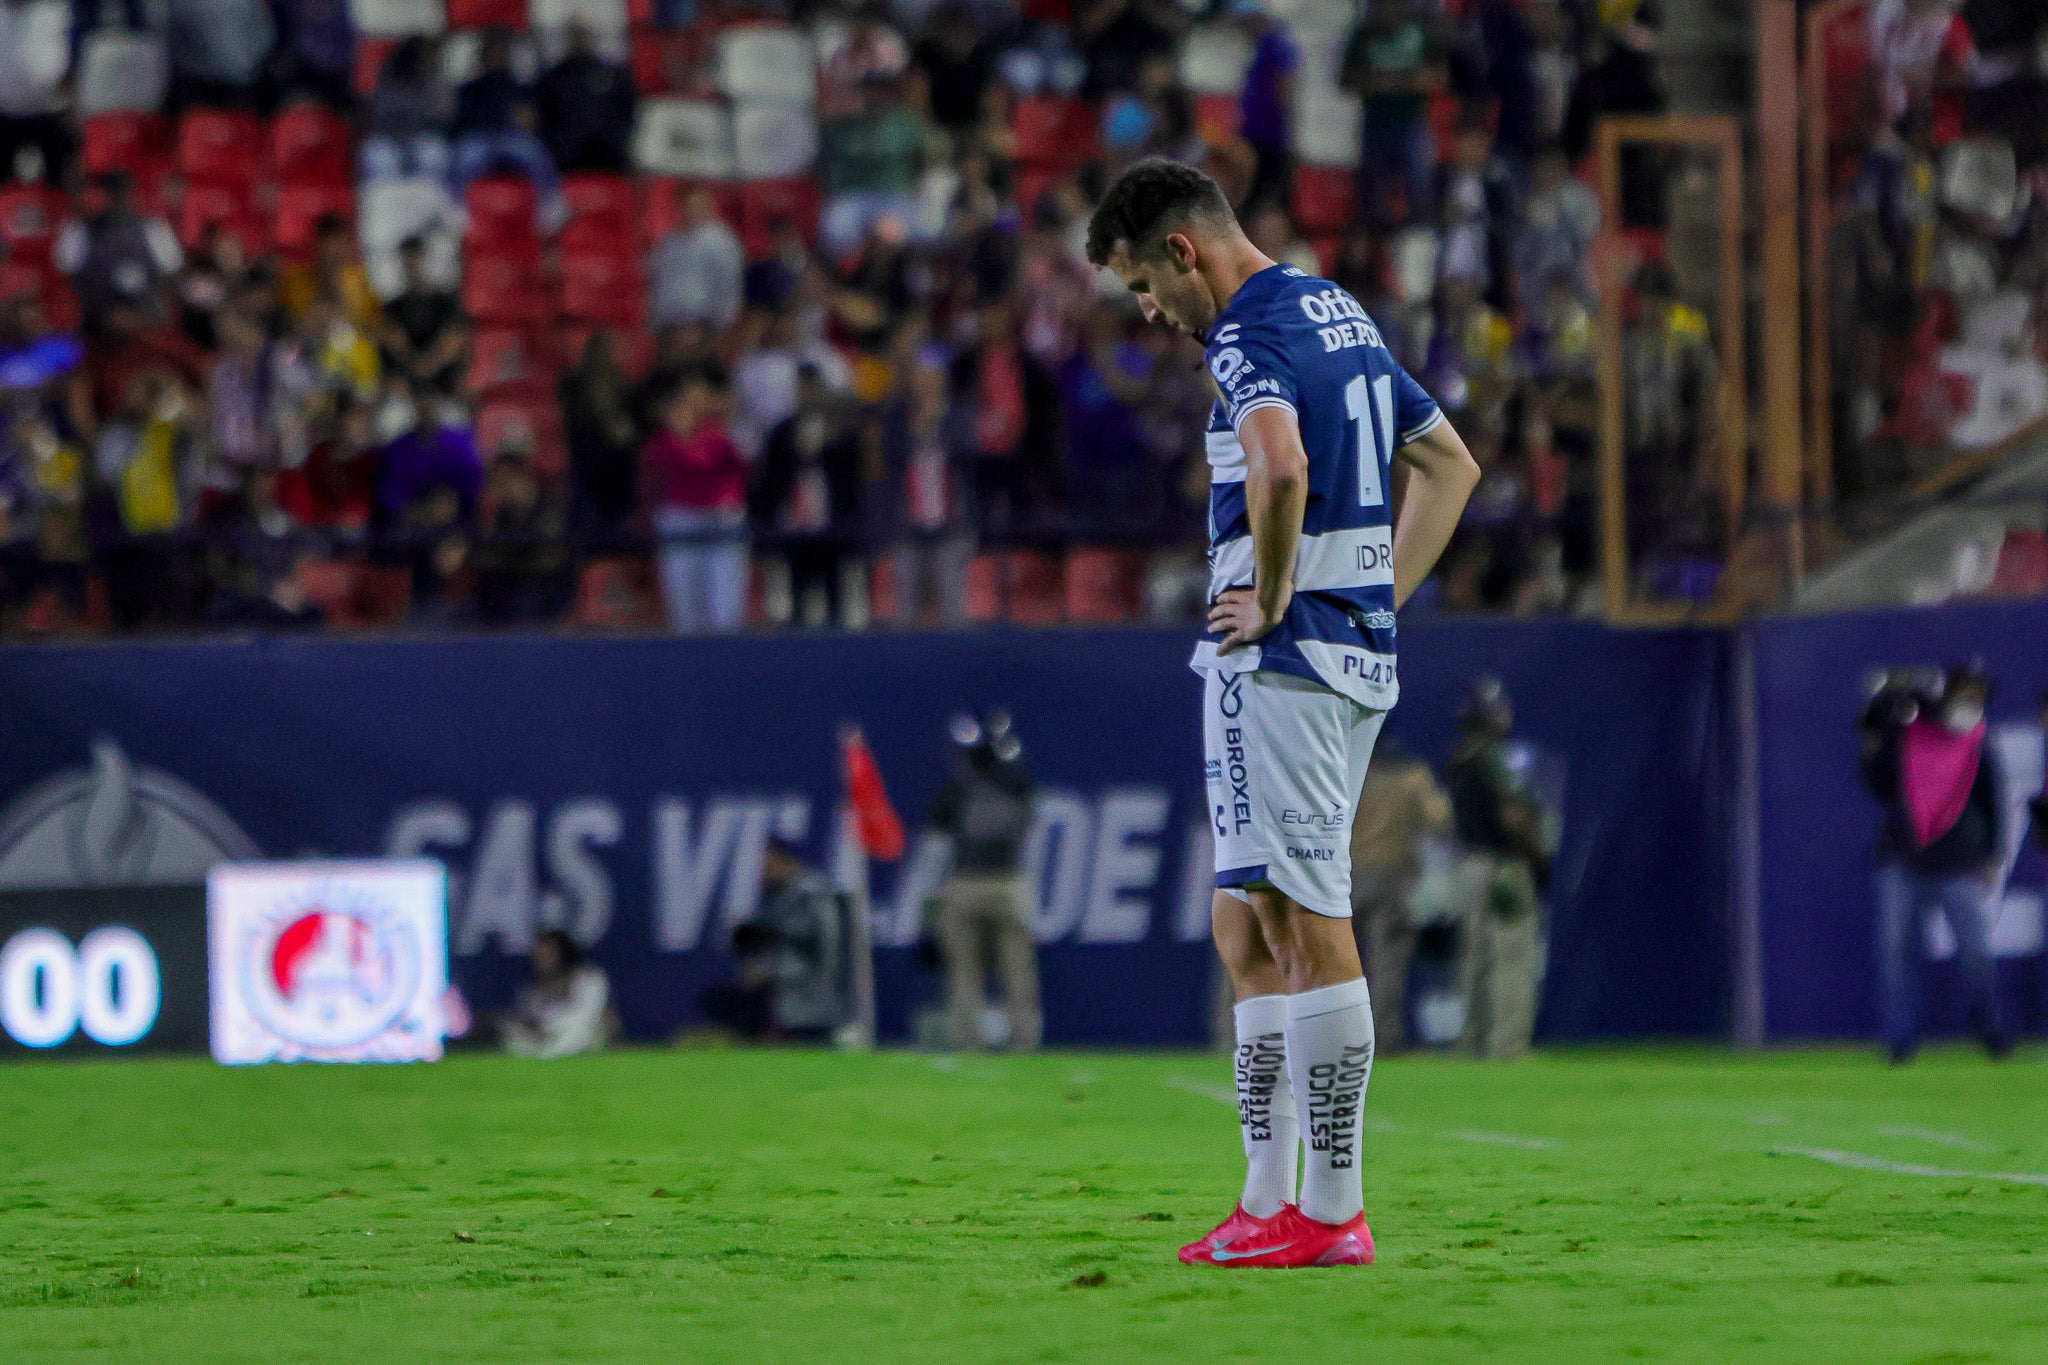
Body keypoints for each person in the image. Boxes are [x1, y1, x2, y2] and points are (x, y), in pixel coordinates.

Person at [1087, 157, 1479, 1268]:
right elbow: (1449, 467)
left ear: (1182, 250)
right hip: (1330, 653)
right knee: (1246, 922)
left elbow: (1281, 464)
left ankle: (1331, 1209)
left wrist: (1270, 594)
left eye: (1142, 285)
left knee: (1307, 922)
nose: (1149, 312)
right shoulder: (1334, 309)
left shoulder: (1245, 332)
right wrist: (1374, 600)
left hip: (1283, 661)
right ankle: (1268, 1196)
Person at [1858, 663, 2012, 1062]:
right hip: (1902, 856)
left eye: (1977, 698)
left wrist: (1993, 854)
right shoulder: (1905, 734)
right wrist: (1875, 735)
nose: (1970, 705)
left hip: (1960, 859)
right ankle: (1899, 1038)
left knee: (1976, 950)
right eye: (1965, 696)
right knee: (1895, 950)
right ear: (1945, 697)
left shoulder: (1977, 743)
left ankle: (1989, 1026)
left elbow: (1992, 800)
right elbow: (1876, 783)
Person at [1445, 678, 1547, 1061]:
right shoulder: (1495, 758)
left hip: (1469, 865)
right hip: (1504, 866)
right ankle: (1507, 1046)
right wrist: (1537, 858)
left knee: (1472, 959)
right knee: (1511, 957)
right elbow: (1514, 815)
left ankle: (1471, 1042)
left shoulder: (1458, 758)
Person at [927, 711, 1039, 1052]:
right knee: (1016, 968)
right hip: (1006, 882)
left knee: (964, 970)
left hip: (967, 882)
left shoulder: (961, 789)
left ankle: (967, 1040)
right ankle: (1023, 1038)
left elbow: (937, 828)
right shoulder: (1018, 784)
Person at [1348, 733, 1452, 1054]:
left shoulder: (1348, 771)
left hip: (1346, 875)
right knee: (1388, 963)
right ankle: (1381, 1038)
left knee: (1336, 962)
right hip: (1393, 874)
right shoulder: (1411, 775)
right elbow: (1441, 820)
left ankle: (1337, 1038)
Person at [702, 837, 850, 1042]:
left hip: (815, 1004)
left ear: (786, 861)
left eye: (768, 866)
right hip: (794, 1004)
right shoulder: (785, 895)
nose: (764, 873)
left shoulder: (812, 896)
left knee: (809, 1052)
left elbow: (822, 949)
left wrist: (768, 972)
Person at [641, 369, 748, 633]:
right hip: (681, 517)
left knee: (724, 611)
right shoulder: (667, 437)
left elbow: (742, 461)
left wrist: (728, 421)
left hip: (722, 517)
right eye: (690, 396)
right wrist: (677, 430)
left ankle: (726, 656)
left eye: (701, 394)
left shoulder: (724, 431)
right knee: (685, 610)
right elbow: (657, 461)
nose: (696, 401)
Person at [501, 930, 612, 1058]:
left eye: (547, 954)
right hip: (545, 1039)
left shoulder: (590, 978)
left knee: (583, 1032)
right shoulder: (534, 992)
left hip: (584, 1036)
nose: (541, 960)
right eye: (538, 955)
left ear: (563, 953)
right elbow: (529, 1023)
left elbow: (585, 1017)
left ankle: (548, 1056)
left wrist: (549, 1025)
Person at [647, 187, 744, 334]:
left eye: (697, 205)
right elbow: (659, 283)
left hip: (706, 324)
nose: (691, 210)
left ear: (707, 206)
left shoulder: (721, 240)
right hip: (670, 325)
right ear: (679, 207)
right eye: (687, 205)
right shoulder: (669, 241)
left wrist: (723, 323)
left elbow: (729, 283)